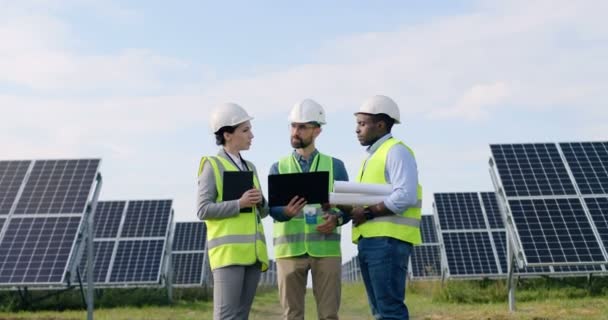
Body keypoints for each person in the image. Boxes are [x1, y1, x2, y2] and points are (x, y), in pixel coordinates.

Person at [269, 99, 350, 320]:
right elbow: (273, 210)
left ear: (317, 131)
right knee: (292, 315)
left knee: (329, 315)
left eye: (302, 127)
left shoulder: (336, 166)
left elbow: (348, 209)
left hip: (326, 252)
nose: (295, 131)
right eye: (293, 126)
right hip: (289, 253)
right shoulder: (279, 167)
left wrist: (336, 219)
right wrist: (285, 212)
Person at [347, 95, 422, 320]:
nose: (357, 130)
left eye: (362, 123)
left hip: (388, 243)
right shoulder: (371, 157)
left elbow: (405, 196)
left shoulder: (396, 151)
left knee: (389, 310)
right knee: (380, 311)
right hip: (371, 241)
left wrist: (368, 212)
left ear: (380, 125)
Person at [197, 102, 269, 320]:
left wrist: (259, 201)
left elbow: (262, 213)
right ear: (227, 134)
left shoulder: (251, 168)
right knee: (226, 316)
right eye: (245, 130)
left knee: (241, 316)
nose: (251, 135)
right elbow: (203, 210)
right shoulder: (213, 165)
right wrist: (239, 203)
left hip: (253, 255)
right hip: (228, 255)